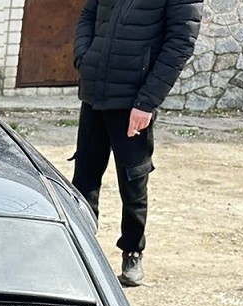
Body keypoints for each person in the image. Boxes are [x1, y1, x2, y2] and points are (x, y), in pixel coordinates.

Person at [71, 0, 202, 286]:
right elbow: (88, 14)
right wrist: (84, 58)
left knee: (133, 181)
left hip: (134, 101)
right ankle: (78, 247)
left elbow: (180, 43)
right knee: (84, 178)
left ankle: (132, 250)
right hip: (95, 93)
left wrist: (147, 102)